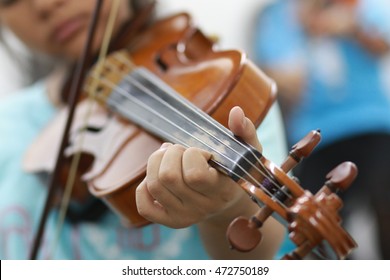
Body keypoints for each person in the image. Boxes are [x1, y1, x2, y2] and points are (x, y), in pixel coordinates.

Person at [0, 0, 287, 259]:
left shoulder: (217, 81)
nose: (44, 5)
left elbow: (259, 256)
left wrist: (229, 209)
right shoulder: (8, 125)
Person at [254, 0, 390, 259]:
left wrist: (354, 28)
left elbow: (383, 45)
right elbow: (277, 75)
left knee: (385, 199)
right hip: (315, 136)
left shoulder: (357, 6)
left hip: (372, 121)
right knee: (313, 225)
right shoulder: (276, 17)